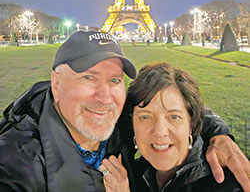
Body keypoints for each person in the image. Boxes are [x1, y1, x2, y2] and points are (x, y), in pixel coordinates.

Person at [0, 31, 249, 191]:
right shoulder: (16, 163)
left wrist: (220, 135)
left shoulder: (116, 118)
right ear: (56, 83)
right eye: (88, 78)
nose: (104, 97)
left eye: (115, 80)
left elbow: (174, 107)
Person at [100, 62, 249, 191]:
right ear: (132, 124)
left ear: (192, 124)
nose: (160, 131)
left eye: (174, 117)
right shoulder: (133, 172)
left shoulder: (225, 186)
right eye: (145, 117)